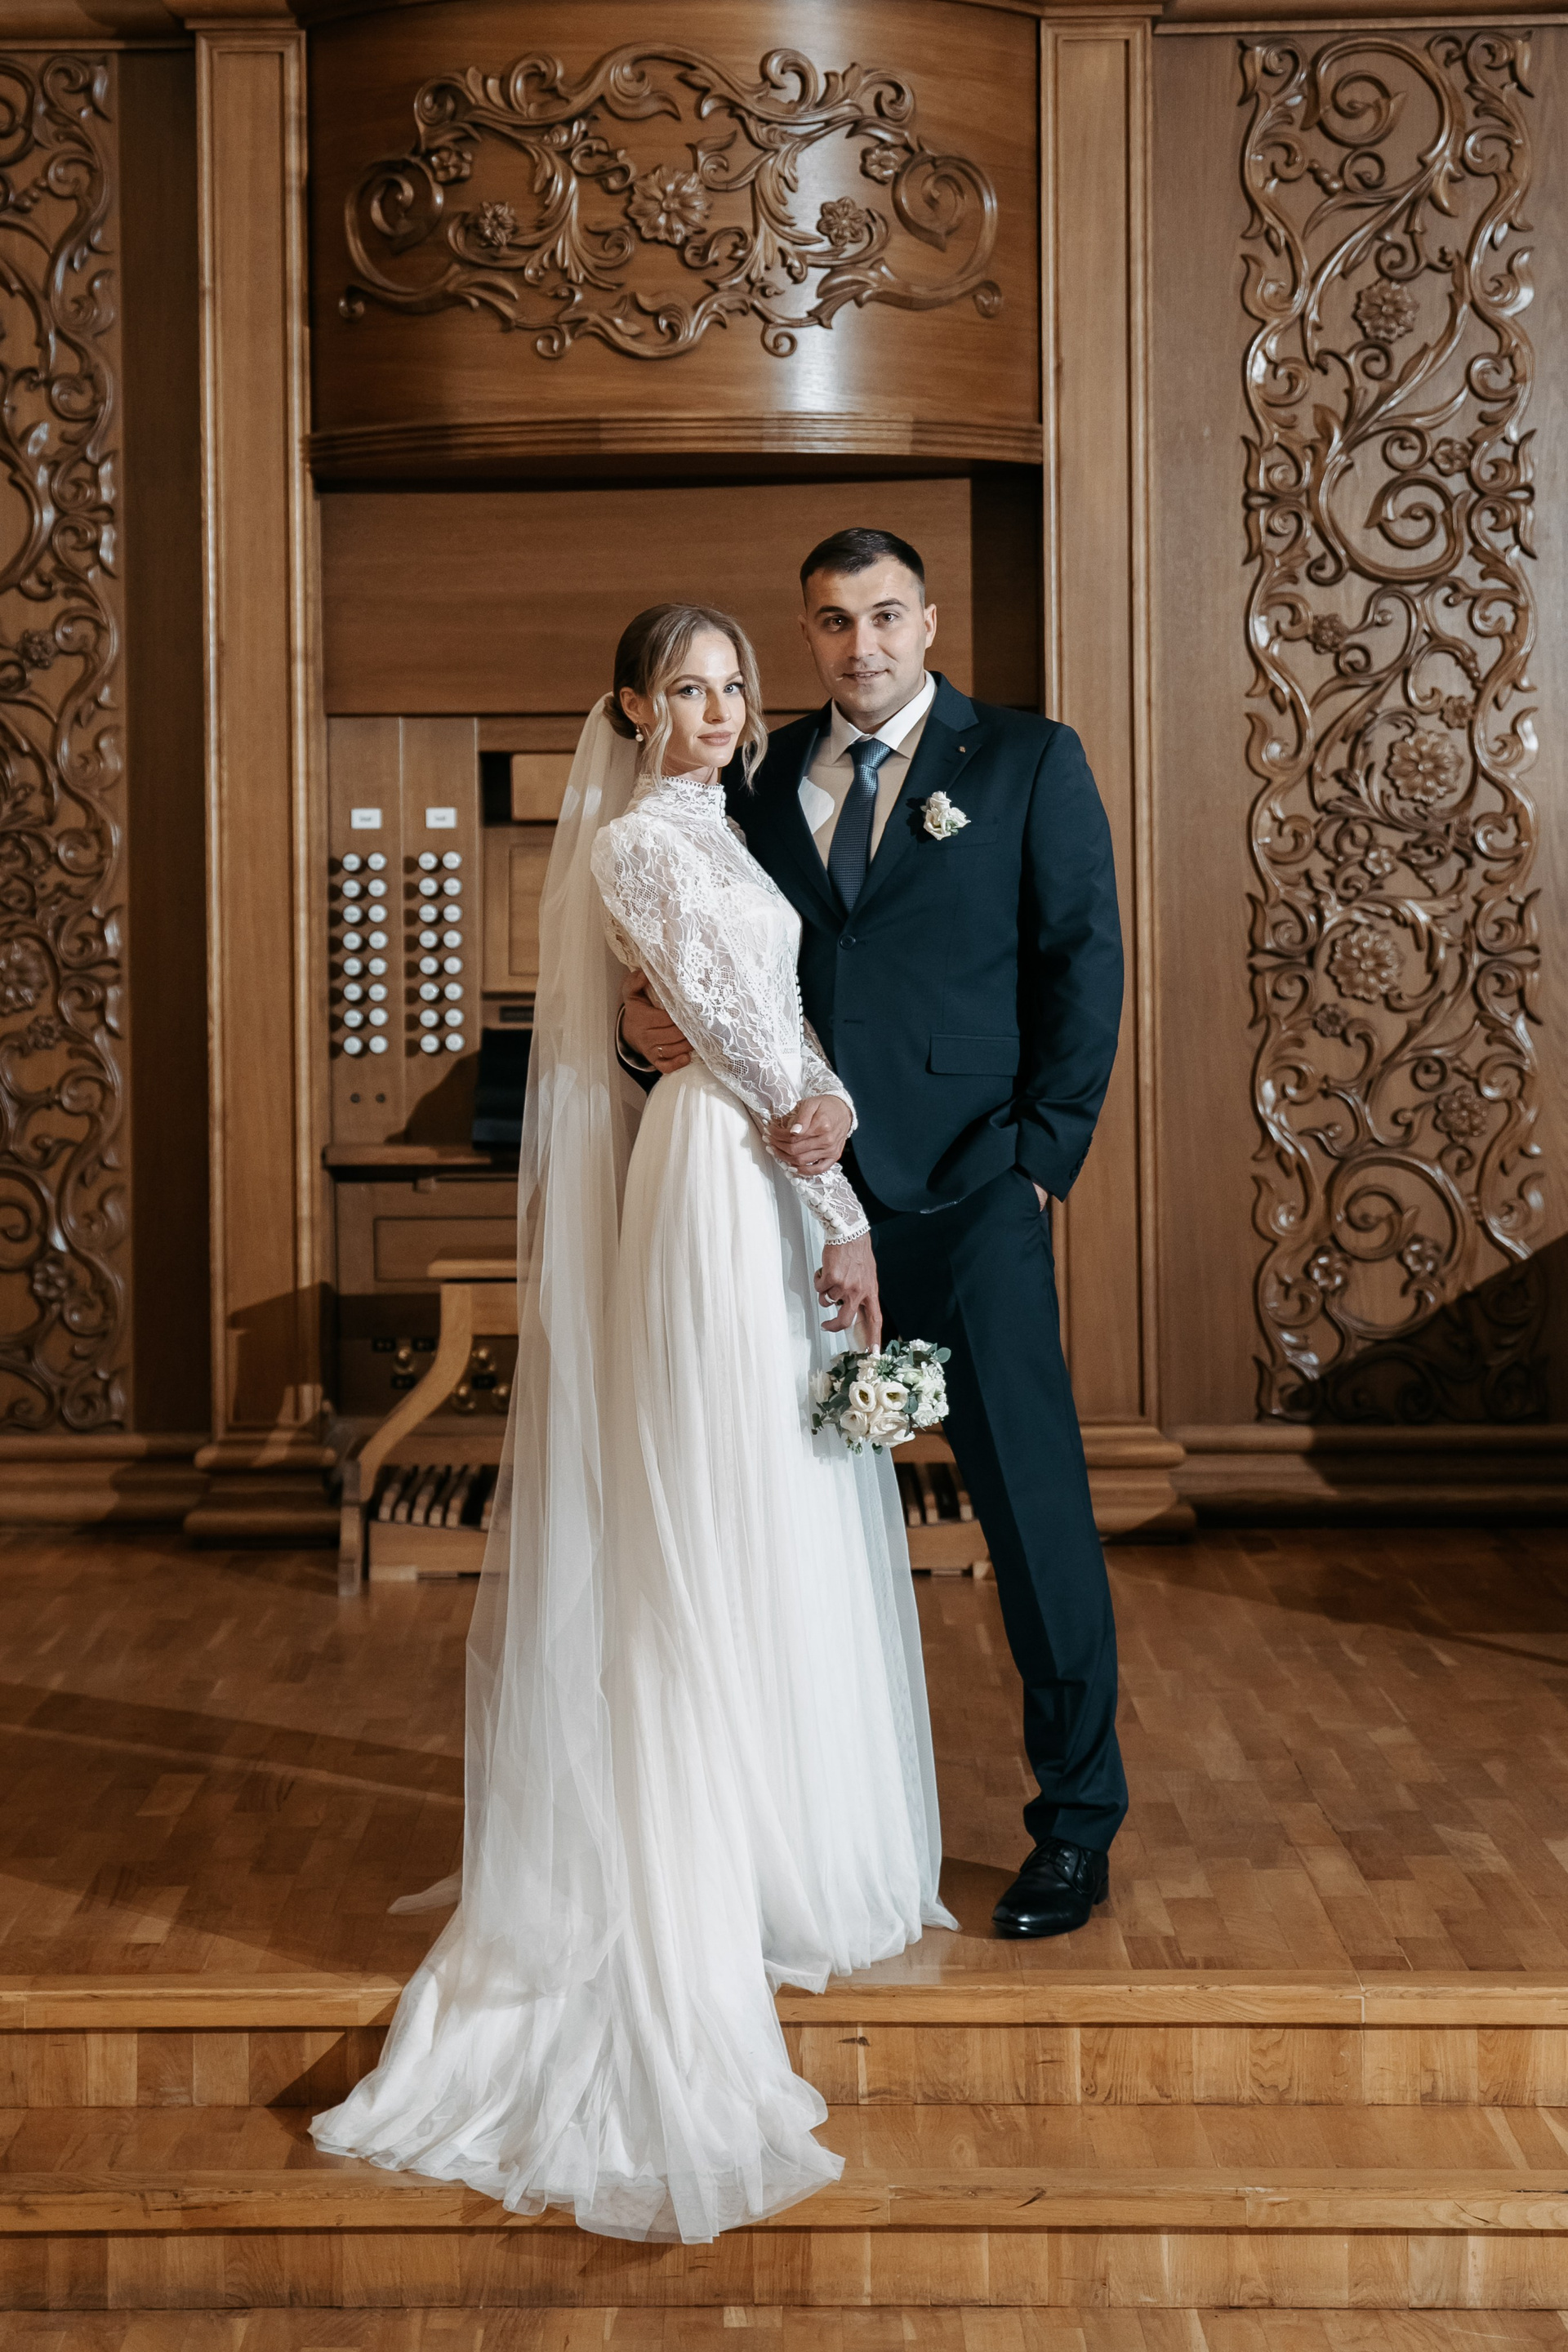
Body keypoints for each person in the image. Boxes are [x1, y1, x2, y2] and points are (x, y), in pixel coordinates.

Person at [311, 604, 954, 2243]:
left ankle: (778, 1835)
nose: (722, 710)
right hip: (723, 1177)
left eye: (736, 686)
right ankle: (695, 1854)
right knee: (706, 1504)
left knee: (772, 1496)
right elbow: (736, 1038)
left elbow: (774, 1028)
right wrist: (842, 1192)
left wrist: (832, 1125)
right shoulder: (642, 846)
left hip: (768, 1162)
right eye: (689, 687)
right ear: (631, 704)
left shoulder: (721, 828)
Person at [621, 529, 1127, 1939]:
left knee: (1032, 1514)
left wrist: (1038, 1167)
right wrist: (632, 1032)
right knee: (778, 1519)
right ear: (808, 633)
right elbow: (706, 970)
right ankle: (780, 1832)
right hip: (788, 1205)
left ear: (929, 621)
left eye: (887, 615)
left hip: (971, 1192)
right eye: (835, 622)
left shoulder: (1026, 760)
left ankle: (1076, 1826)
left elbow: (1082, 961)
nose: (863, 645)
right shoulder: (757, 775)